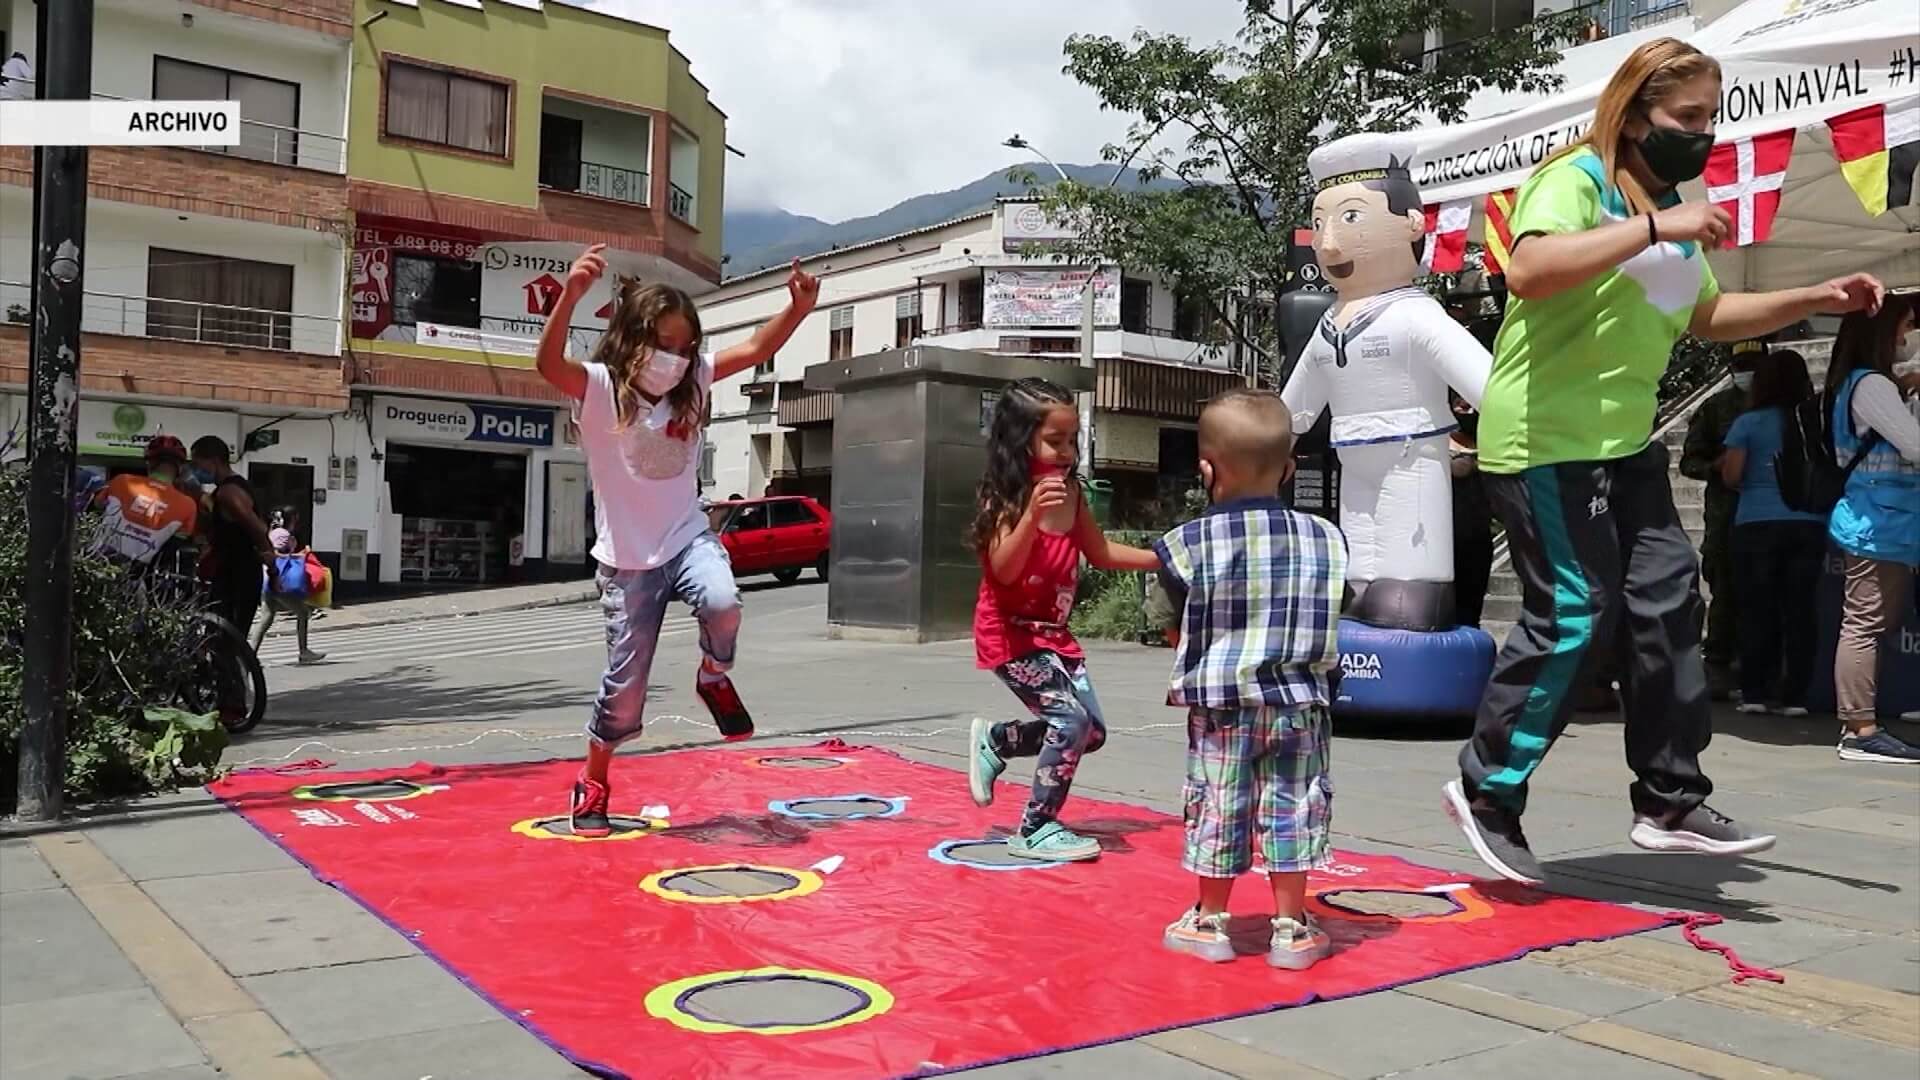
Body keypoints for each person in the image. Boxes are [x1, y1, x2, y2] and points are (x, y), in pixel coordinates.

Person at [1445, 37, 1886, 886]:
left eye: (1710, 117)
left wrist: (1812, 297)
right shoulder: (1576, 182)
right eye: (1688, 116)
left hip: (1624, 441)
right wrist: (1652, 225)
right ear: (1633, 110)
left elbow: (1708, 316)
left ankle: (1669, 800)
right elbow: (1529, 269)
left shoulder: (1674, 207)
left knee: (1671, 594)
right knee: (1577, 609)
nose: (1703, 131)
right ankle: (1487, 790)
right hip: (1544, 439)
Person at [537, 245, 819, 837]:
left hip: (687, 538)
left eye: (687, 345)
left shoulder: (693, 380)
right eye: (667, 345)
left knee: (723, 602)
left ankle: (713, 676)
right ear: (633, 339)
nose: (678, 357)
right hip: (627, 563)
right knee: (625, 686)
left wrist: (796, 310)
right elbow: (547, 365)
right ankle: (594, 781)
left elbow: (757, 349)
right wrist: (569, 296)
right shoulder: (597, 388)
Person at [1153, 390, 1346, 970]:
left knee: (1217, 802)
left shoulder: (1188, 543)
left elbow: (1167, 619)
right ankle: (1292, 927)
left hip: (1221, 707)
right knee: (1294, 802)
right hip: (1300, 704)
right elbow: (1340, 604)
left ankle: (1210, 922)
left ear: (1206, 470)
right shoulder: (1327, 539)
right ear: (1289, 468)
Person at [965, 378, 1160, 862]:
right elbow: (1004, 570)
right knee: (1069, 720)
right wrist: (1031, 517)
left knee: (1090, 731)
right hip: (1010, 634)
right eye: (1055, 440)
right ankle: (1036, 828)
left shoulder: (1072, 492)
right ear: (1021, 437)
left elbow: (1099, 552)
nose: (1067, 451)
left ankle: (998, 739)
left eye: (1073, 439)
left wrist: (1165, 560)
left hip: (1054, 637)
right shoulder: (1005, 496)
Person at [1824, 297, 1920, 763]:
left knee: (1871, 620)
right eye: (1904, 325)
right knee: (1865, 622)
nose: (1907, 335)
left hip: (1887, 520)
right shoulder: (1872, 386)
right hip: (1878, 523)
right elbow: (1915, 446)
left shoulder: (1874, 385)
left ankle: (1861, 724)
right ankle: (1860, 728)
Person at [1717, 350, 1823, 716]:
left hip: (1756, 522)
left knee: (1755, 609)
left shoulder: (1748, 422)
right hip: (1809, 522)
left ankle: (1755, 692)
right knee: (1800, 610)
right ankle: (1796, 695)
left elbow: (1731, 475)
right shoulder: (1813, 422)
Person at [1681, 347, 1762, 696]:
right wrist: (1717, 466)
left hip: (1766, 510)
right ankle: (1718, 664)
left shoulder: (1783, 403)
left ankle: (1757, 664)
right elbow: (1689, 462)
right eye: (1743, 367)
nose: (1749, 373)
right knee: (1725, 588)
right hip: (1725, 514)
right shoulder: (1715, 408)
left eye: (1756, 367)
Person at [189, 435, 277, 727]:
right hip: (234, 573)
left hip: (237, 576)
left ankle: (233, 708)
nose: (195, 468)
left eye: (197, 462)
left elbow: (256, 527)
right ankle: (229, 702)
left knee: (225, 642)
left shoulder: (229, 492)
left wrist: (270, 560)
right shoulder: (222, 492)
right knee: (223, 642)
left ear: (212, 460)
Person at [96, 435, 198, 569]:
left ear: (149, 462)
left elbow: (97, 506)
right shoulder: (188, 505)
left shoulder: (122, 481)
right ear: (180, 467)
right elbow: (175, 546)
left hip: (98, 562)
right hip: (139, 576)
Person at [1449, 391, 1493, 628]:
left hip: (1477, 536)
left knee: (1470, 612)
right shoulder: (1434, 433)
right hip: (1441, 540)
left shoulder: (1487, 434)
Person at [251, 526, 326, 666]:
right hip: (279, 582)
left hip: (266, 582)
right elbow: (282, 552)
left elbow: (274, 552)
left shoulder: (272, 533)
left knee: (266, 619)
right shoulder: (285, 534)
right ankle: (303, 651)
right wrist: (297, 553)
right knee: (303, 612)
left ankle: (251, 655)